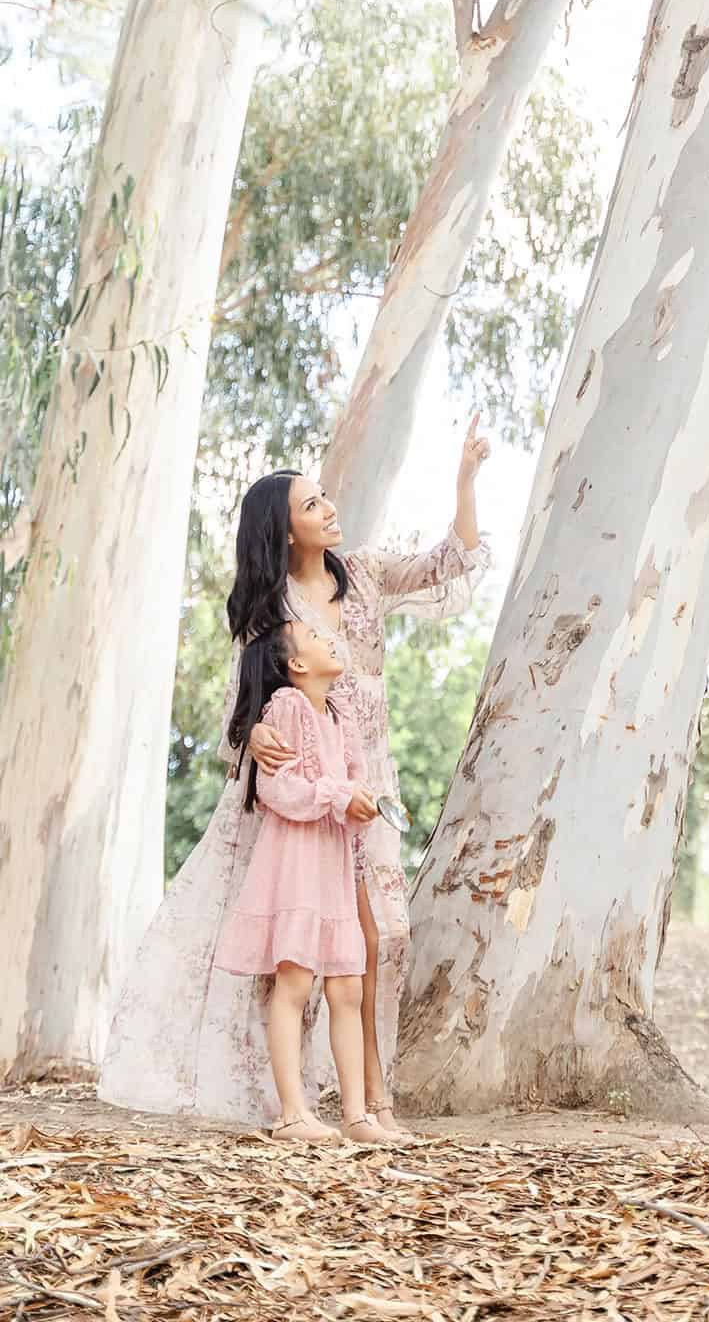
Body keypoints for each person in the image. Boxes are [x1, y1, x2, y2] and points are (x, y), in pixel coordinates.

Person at [99, 415, 491, 1131]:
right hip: (303, 788)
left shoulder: (366, 574)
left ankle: (371, 1098)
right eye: (311, 505)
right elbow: (241, 703)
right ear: (284, 531)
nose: (328, 508)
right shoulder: (269, 611)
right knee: (299, 949)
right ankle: (306, 1101)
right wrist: (254, 734)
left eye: (324, 497)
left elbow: (453, 560)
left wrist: (464, 479)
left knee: (381, 938)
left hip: (369, 782)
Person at [217, 619, 391, 1144]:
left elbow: (353, 781)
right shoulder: (288, 708)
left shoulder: (340, 715)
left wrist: (363, 804)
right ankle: (292, 1112)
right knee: (294, 983)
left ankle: (357, 1115)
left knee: (347, 987)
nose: (328, 639)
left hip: (334, 860)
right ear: (296, 665)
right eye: (315, 638)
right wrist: (339, 798)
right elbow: (278, 788)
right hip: (295, 861)